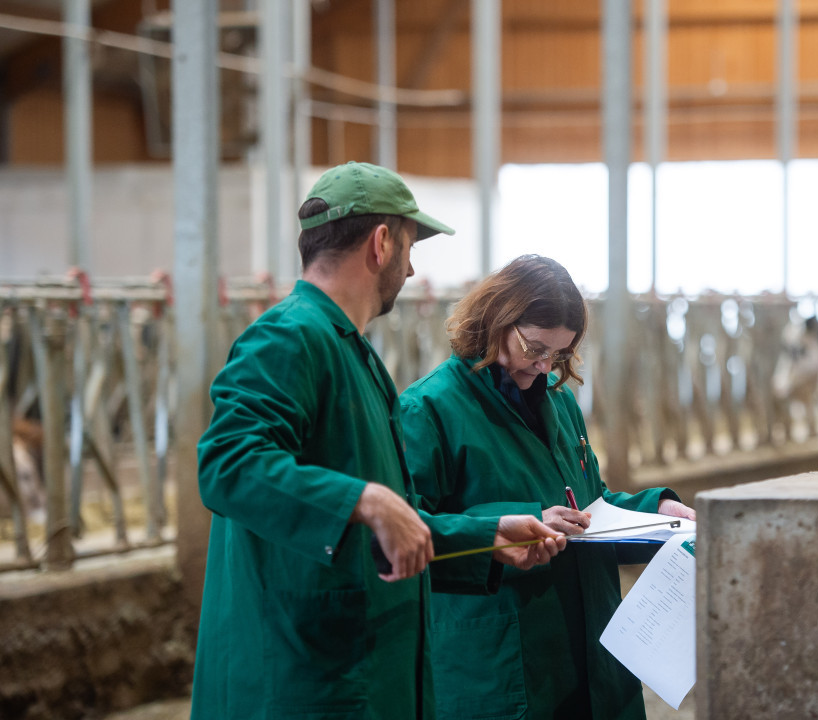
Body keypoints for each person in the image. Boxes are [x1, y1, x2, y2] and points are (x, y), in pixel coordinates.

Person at [190, 163, 565, 720]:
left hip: (358, 674)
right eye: (411, 248)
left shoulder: (352, 353)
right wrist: (364, 500)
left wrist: (486, 537)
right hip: (302, 681)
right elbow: (227, 464)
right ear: (381, 242)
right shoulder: (288, 336)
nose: (412, 269)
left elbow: (391, 528)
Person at [399, 254, 697, 720]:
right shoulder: (429, 409)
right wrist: (515, 519)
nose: (543, 366)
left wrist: (654, 508)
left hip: (590, 652)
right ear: (496, 317)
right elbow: (404, 529)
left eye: (558, 354)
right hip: (505, 659)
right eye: (534, 347)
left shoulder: (559, 404)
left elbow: (588, 505)